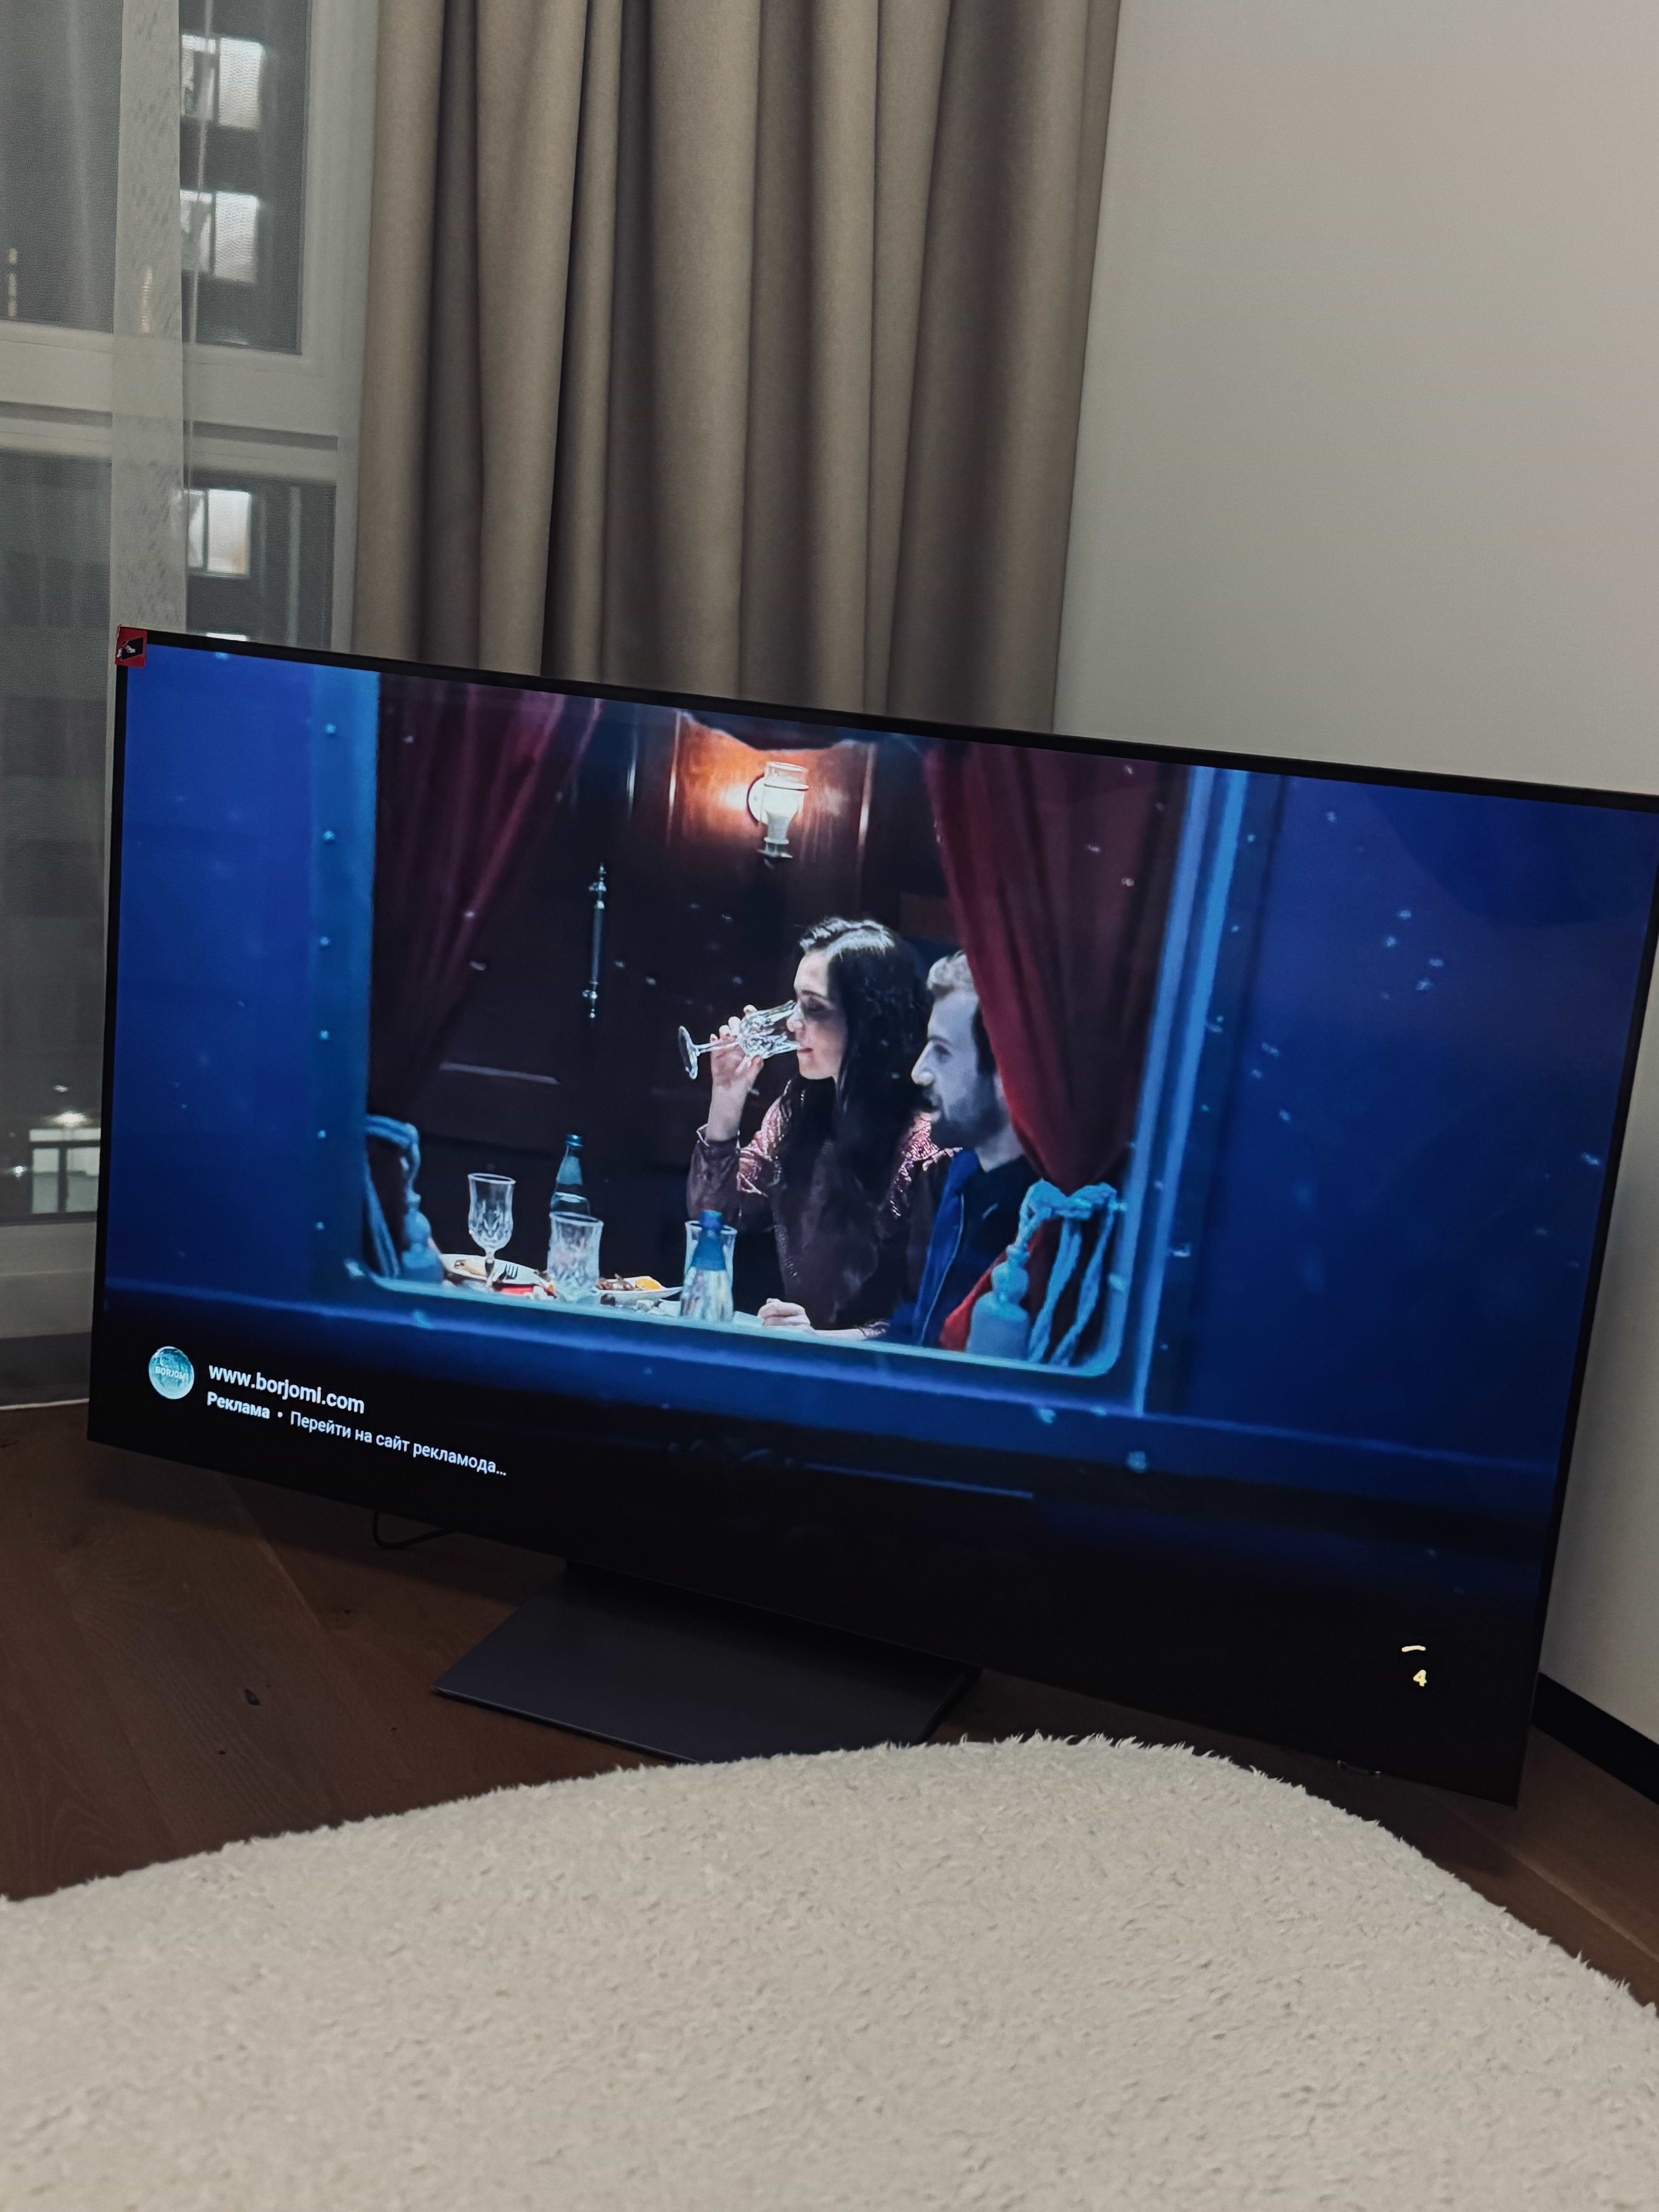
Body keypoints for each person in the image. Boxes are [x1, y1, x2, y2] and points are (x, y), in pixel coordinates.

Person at [687, 918, 946, 1333]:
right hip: (800, 1355)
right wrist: (727, 1097)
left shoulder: (927, 1148)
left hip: (871, 1371)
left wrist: (826, 1342)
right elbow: (714, 1218)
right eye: (795, 1003)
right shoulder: (802, 1109)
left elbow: (929, 1321)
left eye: (814, 1008)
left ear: (868, 1021)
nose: (793, 1022)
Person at [886, 951, 1036, 1350]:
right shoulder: (964, 1171)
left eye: (943, 1051)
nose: (919, 1071)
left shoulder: (1042, 1218)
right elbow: (923, 1325)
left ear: (1007, 1071)